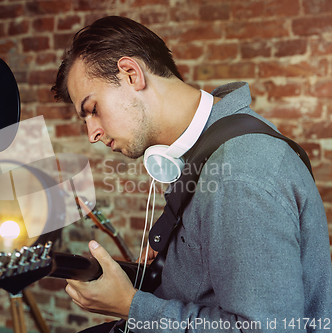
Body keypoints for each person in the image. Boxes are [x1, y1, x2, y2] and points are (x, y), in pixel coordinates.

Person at [51, 16, 332, 332]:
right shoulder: (213, 145)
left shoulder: (240, 175)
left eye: (93, 109)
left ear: (131, 74)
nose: (92, 133)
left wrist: (131, 306)